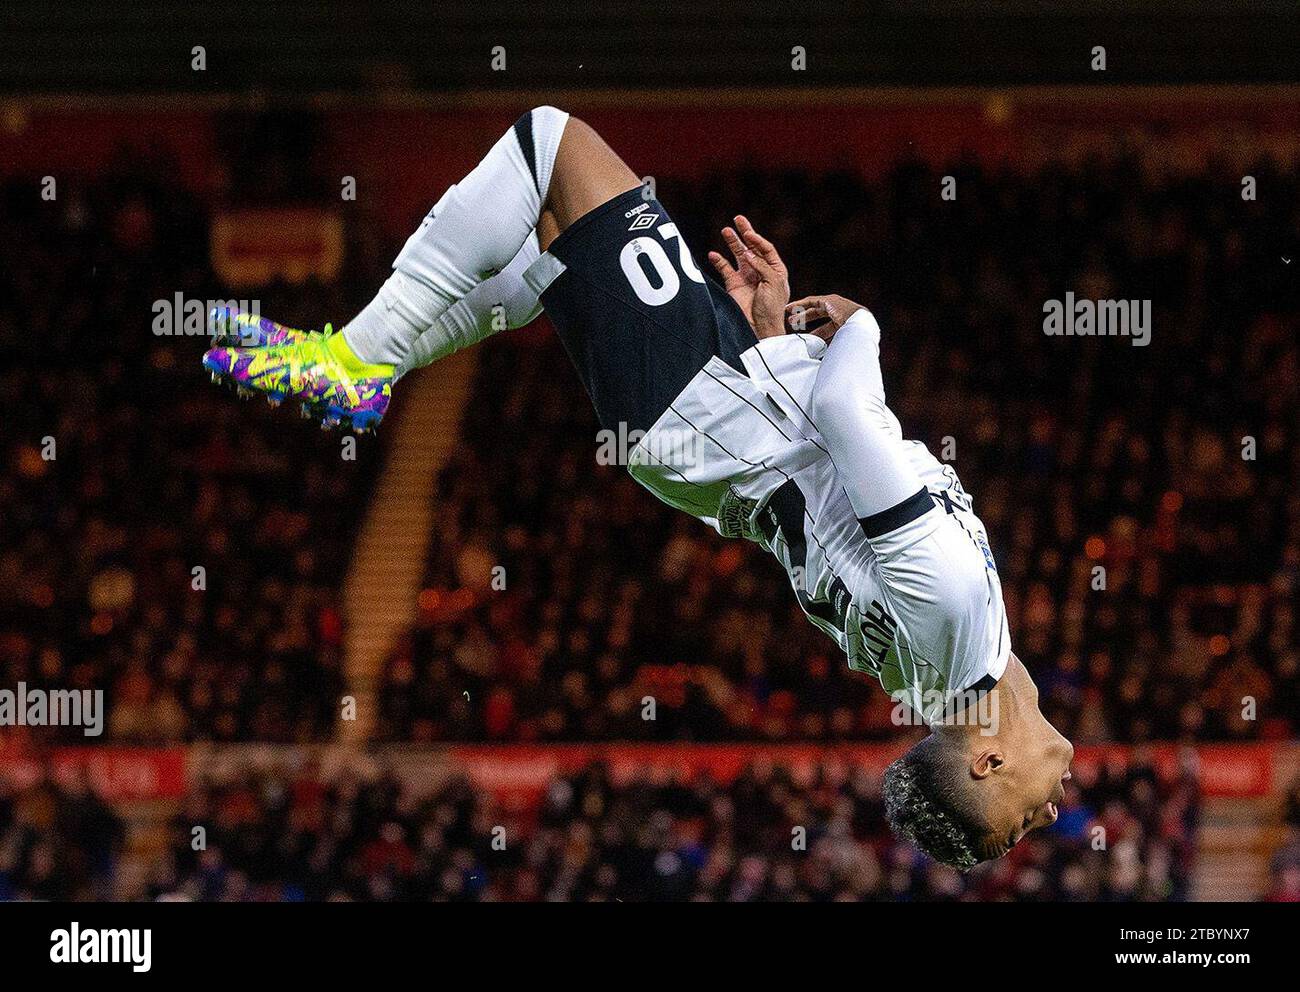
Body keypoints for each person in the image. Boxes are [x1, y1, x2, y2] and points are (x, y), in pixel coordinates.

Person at [202, 107, 1074, 869]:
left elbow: (848, 412)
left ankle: (354, 363)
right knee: (550, 247)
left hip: (700, 400)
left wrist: (859, 325)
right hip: (713, 423)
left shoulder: (955, 613)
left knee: (551, 144)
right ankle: (366, 365)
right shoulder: (930, 681)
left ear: (986, 760)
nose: (1051, 813)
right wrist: (774, 341)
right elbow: (827, 496)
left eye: (1019, 824)